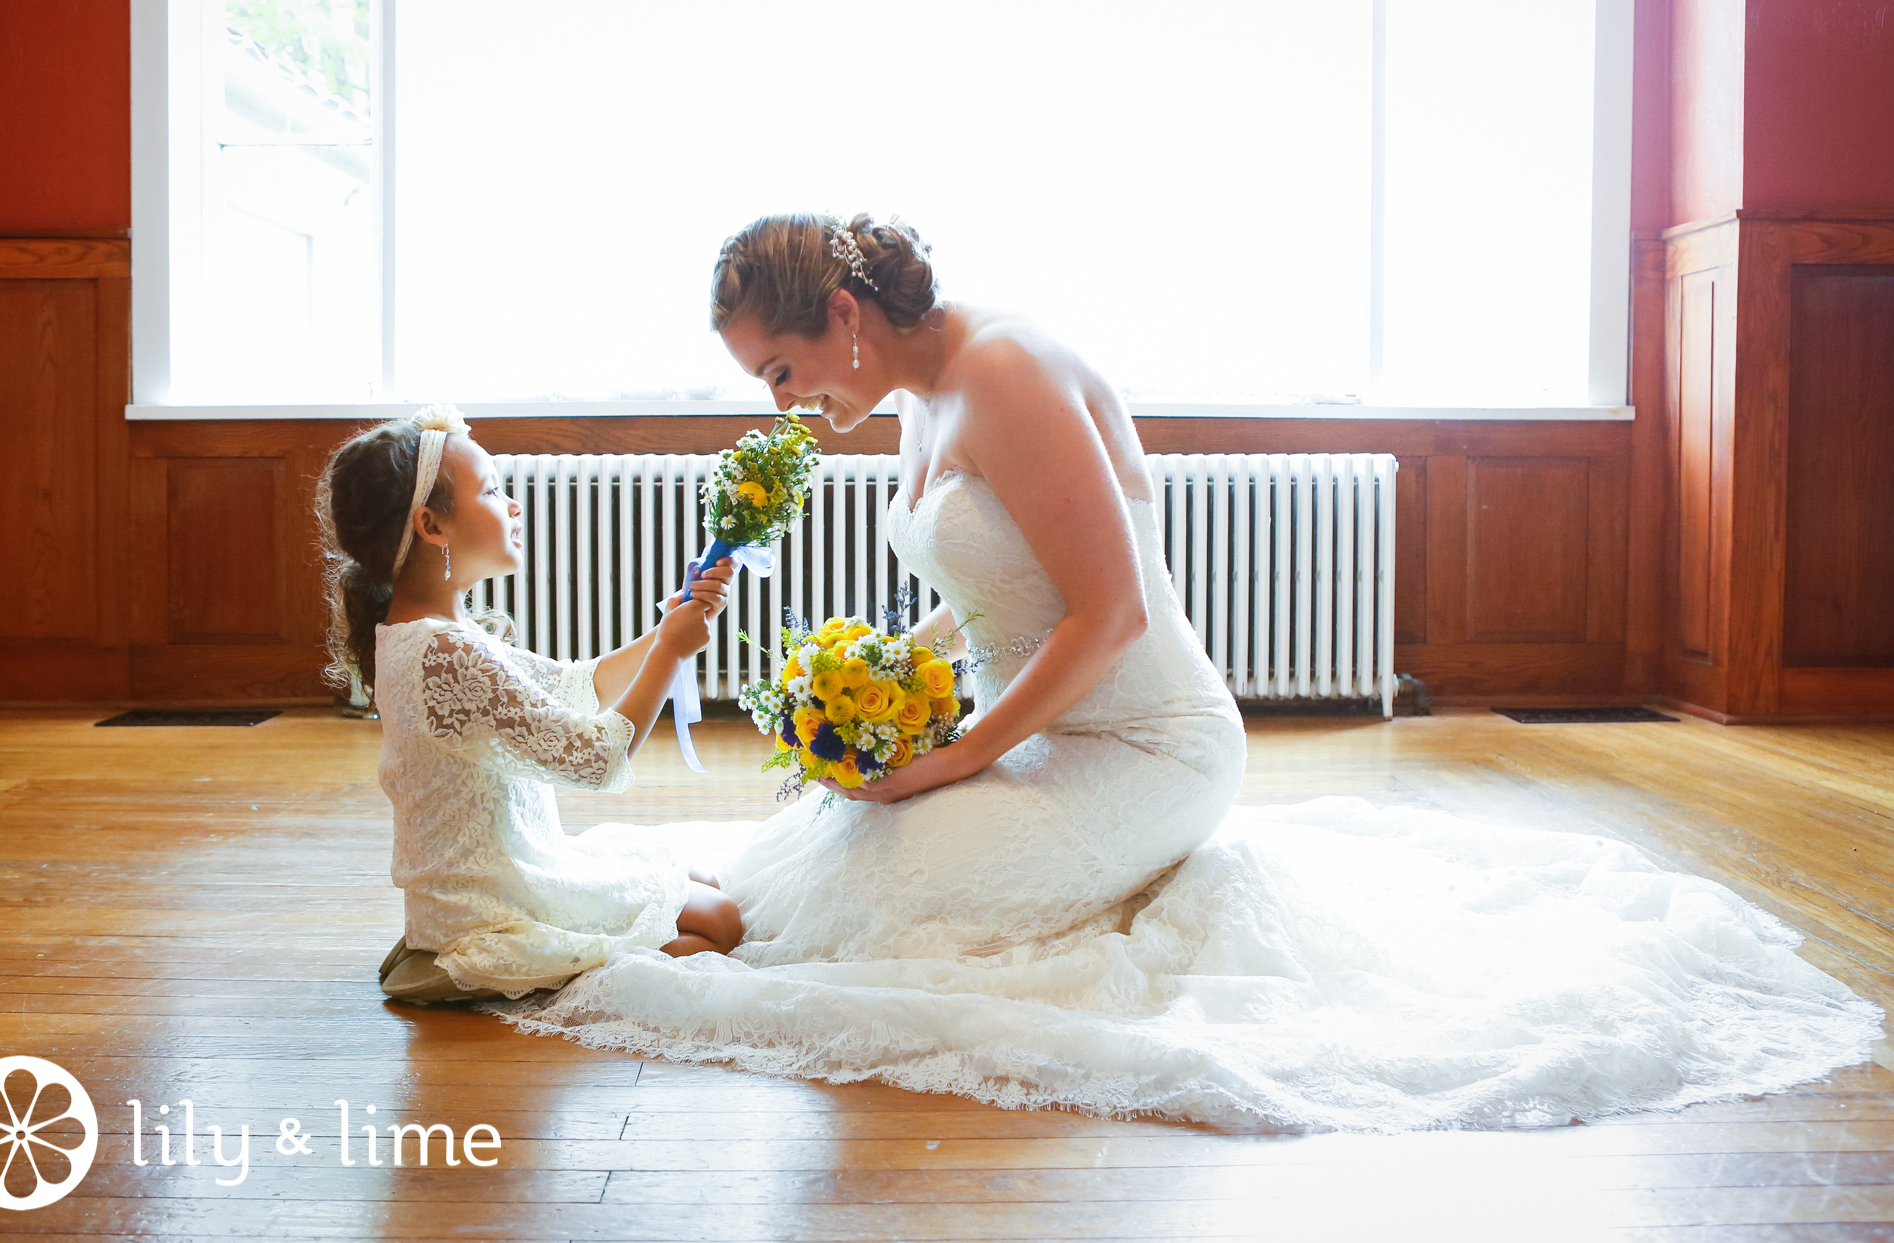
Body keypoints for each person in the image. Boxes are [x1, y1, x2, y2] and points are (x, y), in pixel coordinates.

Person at [495, 215, 1881, 1130]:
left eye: (788, 368)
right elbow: (1009, 595)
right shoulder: (922, 390)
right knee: (817, 837)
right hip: (1040, 726)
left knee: (864, 891)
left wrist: (960, 754)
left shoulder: (1010, 371)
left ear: (850, 312)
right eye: (766, 384)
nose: (785, 406)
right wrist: (877, 673)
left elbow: (1101, 616)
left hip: (1147, 745)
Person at [318, 406, 743, 1006]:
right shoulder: (440, 649)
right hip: (487, 910)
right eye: (493, 491)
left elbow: (575, 685)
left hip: (504, 876)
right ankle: (562, 963)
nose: (514, 506)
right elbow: (594, 760)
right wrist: (671, 653)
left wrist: (665, 630)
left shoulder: (430, 630)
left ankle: (610, 947)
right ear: (432, 526)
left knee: (701, 883)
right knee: (721, 922)